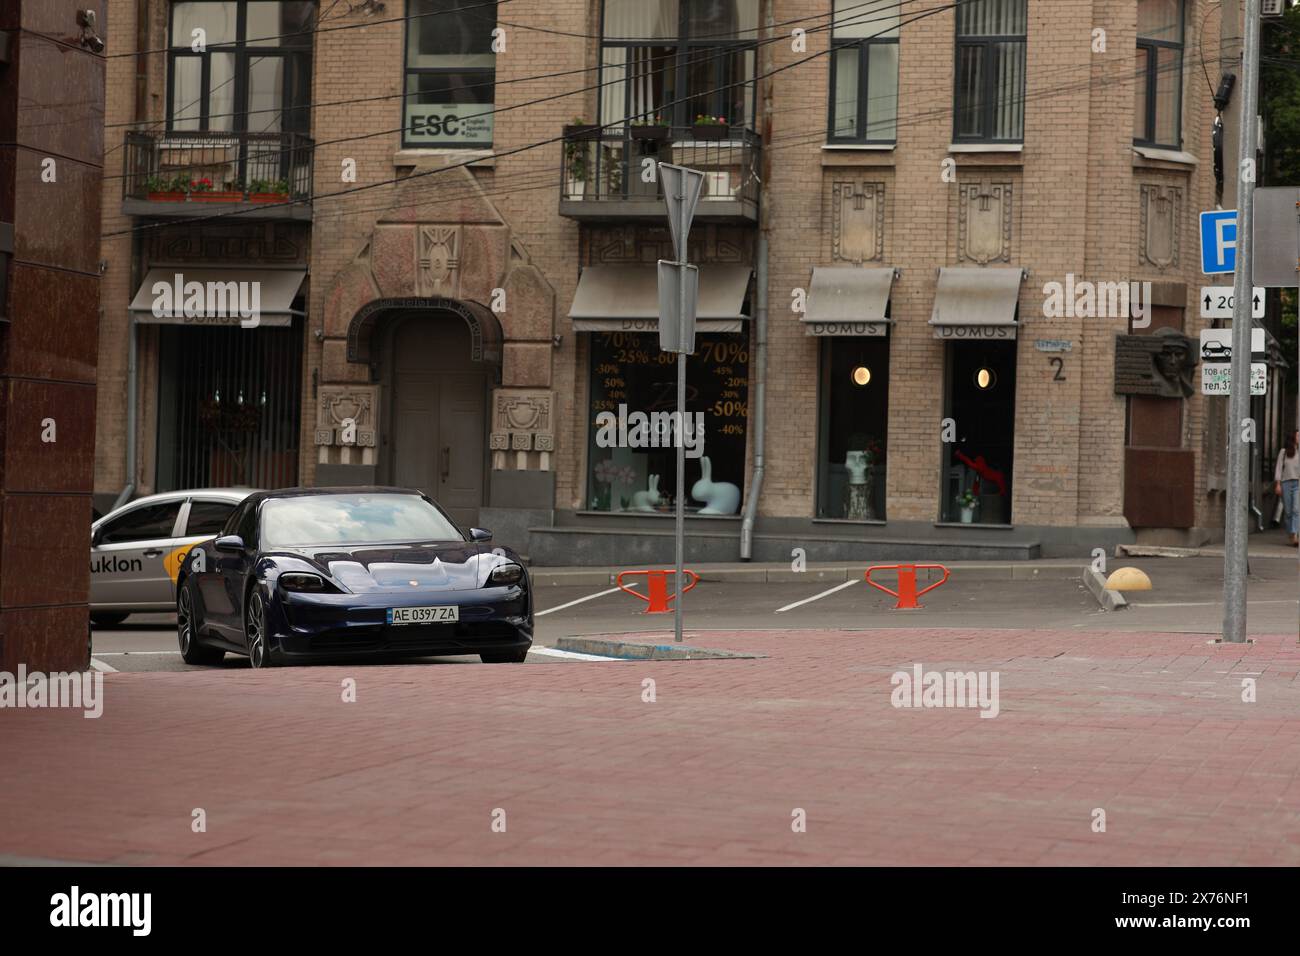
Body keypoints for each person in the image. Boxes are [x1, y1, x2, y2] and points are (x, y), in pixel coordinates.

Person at [1275, 429, 1300, 548]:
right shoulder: (1284, 452)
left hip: (1298, 484)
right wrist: (1278, 484)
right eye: (1298, 436)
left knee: (1296, 510)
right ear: (1293, 438)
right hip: (1285, 483)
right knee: (1289, 512)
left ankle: (1295, 534)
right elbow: (1279, 468)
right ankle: (1291, 533)